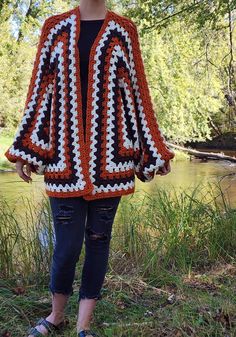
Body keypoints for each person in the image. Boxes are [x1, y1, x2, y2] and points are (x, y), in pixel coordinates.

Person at [4, 0, 175, 336]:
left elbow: (137, 93)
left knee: (98, 240)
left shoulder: (124, 31)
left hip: (111, 163)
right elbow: (40, 93)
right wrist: (26, 148)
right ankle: (56, 316)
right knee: (67, 245)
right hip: (63, 161)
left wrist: (153, 150)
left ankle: (84, 326)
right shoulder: (54, 28)